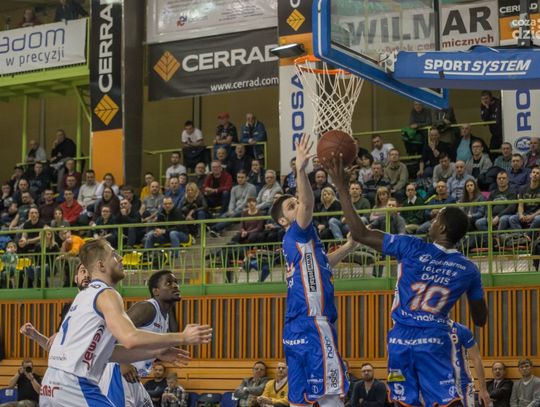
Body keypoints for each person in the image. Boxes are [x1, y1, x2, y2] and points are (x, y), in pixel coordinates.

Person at [325, 154, 487, 407]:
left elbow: (359, 232)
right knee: (446, 401)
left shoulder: (411, 246)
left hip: (400, 340)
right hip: (434, 339)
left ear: (442, 229)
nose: (432, 221)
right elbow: (480, 319)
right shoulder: (468, 269)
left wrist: (342, 189)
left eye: (436, 219)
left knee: (404, 403)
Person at [39, 239, 212, 406]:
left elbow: (109, 352)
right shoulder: (106, 294)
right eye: (114, 255)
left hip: (51, 384)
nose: (121, 258)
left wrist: (156, 352)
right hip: (74, 384)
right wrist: (183, 337)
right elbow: (130, 338)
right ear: (101, 266)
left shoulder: (83, 295)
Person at [269, 135, 359, 406]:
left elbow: (323, 263)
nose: (298, 205)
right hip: (313, 321)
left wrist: (348, 247)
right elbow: (308, 203)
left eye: (295, 202)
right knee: (331, 394)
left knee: (299, 400)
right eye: (291, 206)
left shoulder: (302, 242)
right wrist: (300, 169)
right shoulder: (297, 231)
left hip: (294, 328)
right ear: (283, 220)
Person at [448, 320, 489, 407]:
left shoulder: (462, 330)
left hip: (463, 385)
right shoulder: (429, 331)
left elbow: (476, 358)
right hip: (439, 384)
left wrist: (483, 389)